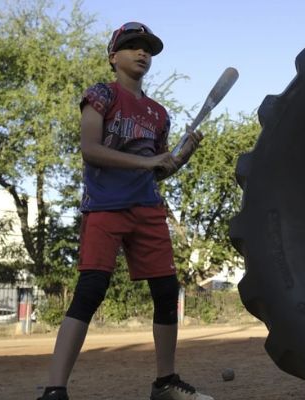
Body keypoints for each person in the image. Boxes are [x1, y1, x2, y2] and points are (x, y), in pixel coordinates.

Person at [38, 22, 212, 400]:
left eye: (147, 48)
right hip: (104, 205)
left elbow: (159, 168)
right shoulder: (101, 95)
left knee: (167, 291)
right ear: (113, 57)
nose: (142, 53)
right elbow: (90, 149)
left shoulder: (157, 113)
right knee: (90, 289)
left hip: (147, 207)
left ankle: (165, 383)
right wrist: (148, 165)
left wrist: (181, 157)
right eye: (132, 46)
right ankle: (54, 389)